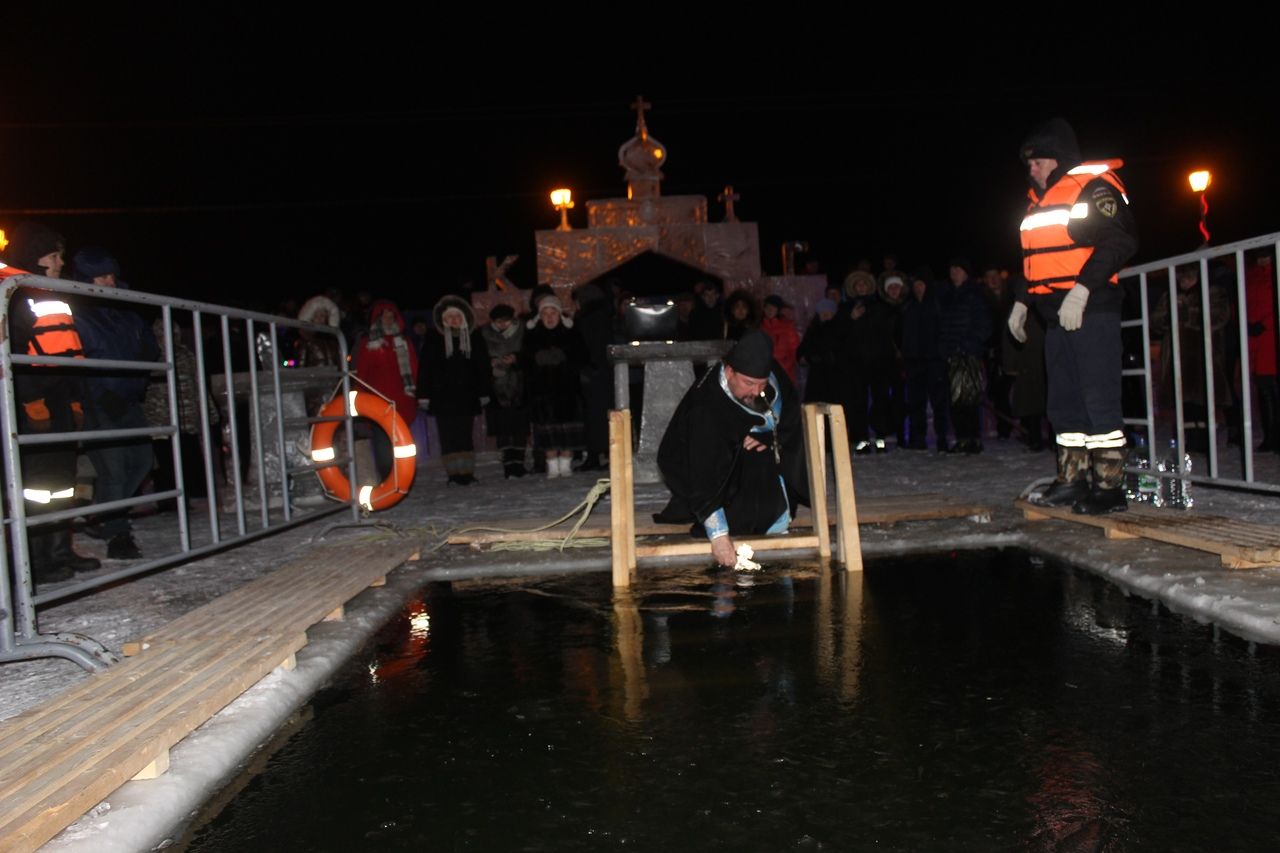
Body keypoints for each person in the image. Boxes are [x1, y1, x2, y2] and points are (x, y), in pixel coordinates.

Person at [1009, 118, 1138, 514]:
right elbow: (1034, 262)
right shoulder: (1038, 201)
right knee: (1063, 403)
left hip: (1091, 309)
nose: (1030, 169)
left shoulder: (1093, 187)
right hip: (1053, 315)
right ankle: (1072, 479)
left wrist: (1082, 290)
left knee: (1098, 398)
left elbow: (1120, 240)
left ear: (1057, 158)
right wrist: (1021, 302)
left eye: (1036, 161)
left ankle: (1109, 487)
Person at [654, 330, 809, 568]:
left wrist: (769, 439)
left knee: (759, 454)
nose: (757, 392)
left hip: (756, 465)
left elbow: (789, 419)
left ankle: (771, 516)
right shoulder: (705, 407)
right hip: (703, 466)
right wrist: (719, 537)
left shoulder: (770, 375)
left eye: (762, 384)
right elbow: (703, 469)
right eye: (749, 384)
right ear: (729, 373)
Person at [2, 222, 101, 583]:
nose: (61, 262)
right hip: (34, 402)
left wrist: (73, 401)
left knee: (61, 481)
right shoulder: (14, 293)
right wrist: (32, 401)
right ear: (35, 258)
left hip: (59, 398)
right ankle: (36, 560)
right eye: (54, 255)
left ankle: (60, 550)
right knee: (37, 486)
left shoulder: (46, 291)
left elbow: (64, 351)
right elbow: (13, 352)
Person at [71, 248, 160, 559]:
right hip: (100, 402)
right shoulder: (78, 313)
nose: (108, 281)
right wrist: (98, 393)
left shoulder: (128, 311)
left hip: (130, 398)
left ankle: (103, 515)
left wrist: (137, 376)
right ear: (85, 279)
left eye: (111, 274)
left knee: (142, 461)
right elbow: (75, 360)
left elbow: (151, 349)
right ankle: (118, 536)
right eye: (100, 276)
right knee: (113, 469)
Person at [418, 295, 490, 485]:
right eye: (449, 317)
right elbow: (425, 368)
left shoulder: (474, 337)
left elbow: (482, 366)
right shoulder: (434, 339)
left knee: (465, 434)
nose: (453, 320)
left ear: (464, 318)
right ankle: (453, 472)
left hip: (467, 394)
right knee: (448, 435)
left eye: (457, 317)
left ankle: (467, 471)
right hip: (442, 395)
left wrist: (484, 391)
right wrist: (423, 394)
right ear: (442, 320)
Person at [522, 296, 588, 478]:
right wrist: (537, 359)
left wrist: (564, 356)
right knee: (547, 429)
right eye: (545, 313)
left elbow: (582, 358)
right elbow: (524, 363)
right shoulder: (532, 336)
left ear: (560, 315)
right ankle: (551, 463)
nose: (549, 317)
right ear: (539, 316)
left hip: (567, 391)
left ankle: (566, 462)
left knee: (568, 429)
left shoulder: (571, 333)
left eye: (553, 313)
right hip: (542, 393)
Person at [354, 299, 419, 479]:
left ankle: (405, 475)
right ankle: (388, 476)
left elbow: (414, 369)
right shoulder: (369, 344)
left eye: (392, 316)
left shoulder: (404, 342)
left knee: (403, 440)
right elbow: (362, 373)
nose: (388, 319)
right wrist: (360, 396)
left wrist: (416, 392)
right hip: (378, 400)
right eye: (385, 316)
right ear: (377, 319)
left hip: (402, 399)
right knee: (382, 440)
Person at [937, 259, 992, 454]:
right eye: (952, 268)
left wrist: (969, 345)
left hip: (969, 353)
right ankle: (962, 438)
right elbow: (943, 326)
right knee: (955, 398)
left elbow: (984, 325)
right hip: (952, 354)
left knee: (970, 397)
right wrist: (944, 348)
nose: (954, 271)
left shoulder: (975, 294)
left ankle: (973, 438)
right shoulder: (947, 296)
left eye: (958, 268)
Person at [480, 303, 530, 478]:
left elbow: (530, 354)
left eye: (506, 321)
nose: (502, 324)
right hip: (496, 386)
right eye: (498, 321)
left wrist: (516, 359)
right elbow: (479, 357)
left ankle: (519, 462)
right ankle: (508, 464)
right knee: (502, 427)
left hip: (519, 384)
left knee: (519, 426)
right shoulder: (484, 334)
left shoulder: (523, 331)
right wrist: (491, 362)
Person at [760, 294, 800, 382]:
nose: (770, 310)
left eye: (773, 308)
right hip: (764, 373)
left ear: (778, 310)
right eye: (767, 307)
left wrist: (784, 366)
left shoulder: (787, 327)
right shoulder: (759, 327)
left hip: (784, 372)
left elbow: (795, 351)